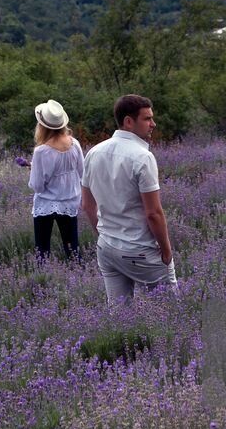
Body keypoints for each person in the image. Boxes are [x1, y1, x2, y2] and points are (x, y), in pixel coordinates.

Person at [80, 94, 176, 304]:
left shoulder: (93, 153)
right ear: (128, 122)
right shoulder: (143, 157)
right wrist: (167, 252)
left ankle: (122, 338)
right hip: (140, 249)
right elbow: (153, 213)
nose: (153, 124)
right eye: (147, 119)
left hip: (107, 248)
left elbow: (87, 205)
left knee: (118, 315)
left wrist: (103, 234)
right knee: (171, 312)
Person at [29, 99, 84, 260]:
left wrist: (34, 169)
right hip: (70, 201)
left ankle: (42, 280)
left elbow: (37, 186)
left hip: (46, 203)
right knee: (73, 250)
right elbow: (83, 173)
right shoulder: (75, 144)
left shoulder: (41, 152)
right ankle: (78, 278)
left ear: (42, 126)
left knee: (42, 252)